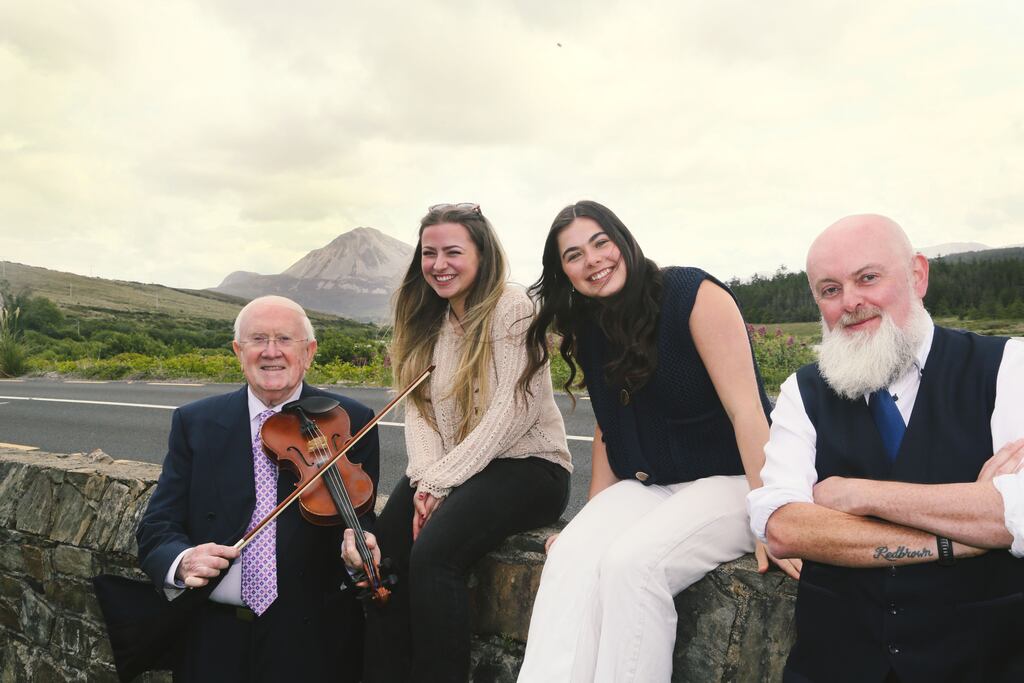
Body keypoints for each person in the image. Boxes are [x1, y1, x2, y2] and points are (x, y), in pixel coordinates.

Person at [516, 200, 796, 683]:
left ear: (624, 240)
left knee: (633, 566)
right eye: (574, 255)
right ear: (565, 273)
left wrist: (768, 516)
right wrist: (591, 520)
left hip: (734, 479)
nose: (593, 260)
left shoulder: (693, 294)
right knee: (570, 556)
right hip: (652, 484)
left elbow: (747, 411)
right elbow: (609, 426)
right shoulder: (590, 324)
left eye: (601, 243)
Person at [747, 214, 1024, 682]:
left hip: (982, 664)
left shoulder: (1007, 366)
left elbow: (1018, 514)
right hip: (833, 667)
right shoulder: (803, 390)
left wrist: (860, 495)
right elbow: (784, 527)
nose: (850, 302)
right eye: (830, 289)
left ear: (918, 275)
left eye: (868, 278)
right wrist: (959, 538)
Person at [342, 203, 572, 682]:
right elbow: (420, 410)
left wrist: (441, 482)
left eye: (452, 252)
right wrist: (428, 478)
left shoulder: (513, 307)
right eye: (429, 253)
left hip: (530, 466)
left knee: (434, 556)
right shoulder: (428, 319)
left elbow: (513, 411)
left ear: (482, 255)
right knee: (383, 554)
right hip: (455, 470)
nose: (438, 264)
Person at [136, 295, 379, 682]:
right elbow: (157, 525)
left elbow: (360, 518)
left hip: (311, 639)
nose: (271, 352)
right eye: (258, 339)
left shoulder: (350, 420)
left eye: (284, 339)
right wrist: (182, 561)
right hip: (213, 638)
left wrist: (359, 553)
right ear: (238, 350)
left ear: (309, 352)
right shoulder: (195, 422)